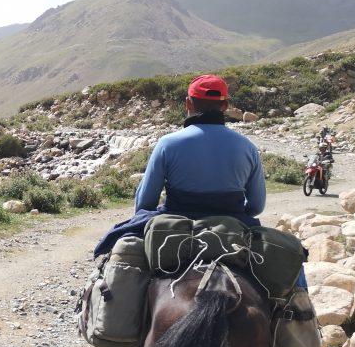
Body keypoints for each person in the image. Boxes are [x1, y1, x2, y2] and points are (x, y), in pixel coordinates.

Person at [93, 74, 266, 257]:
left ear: (188, 104)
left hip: (173, 226)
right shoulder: (247, 147)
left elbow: (145, 203)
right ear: (225, 106)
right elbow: (256, 205)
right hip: (233, 226)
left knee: (113, 253)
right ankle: (299, 286)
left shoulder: (168, 144)